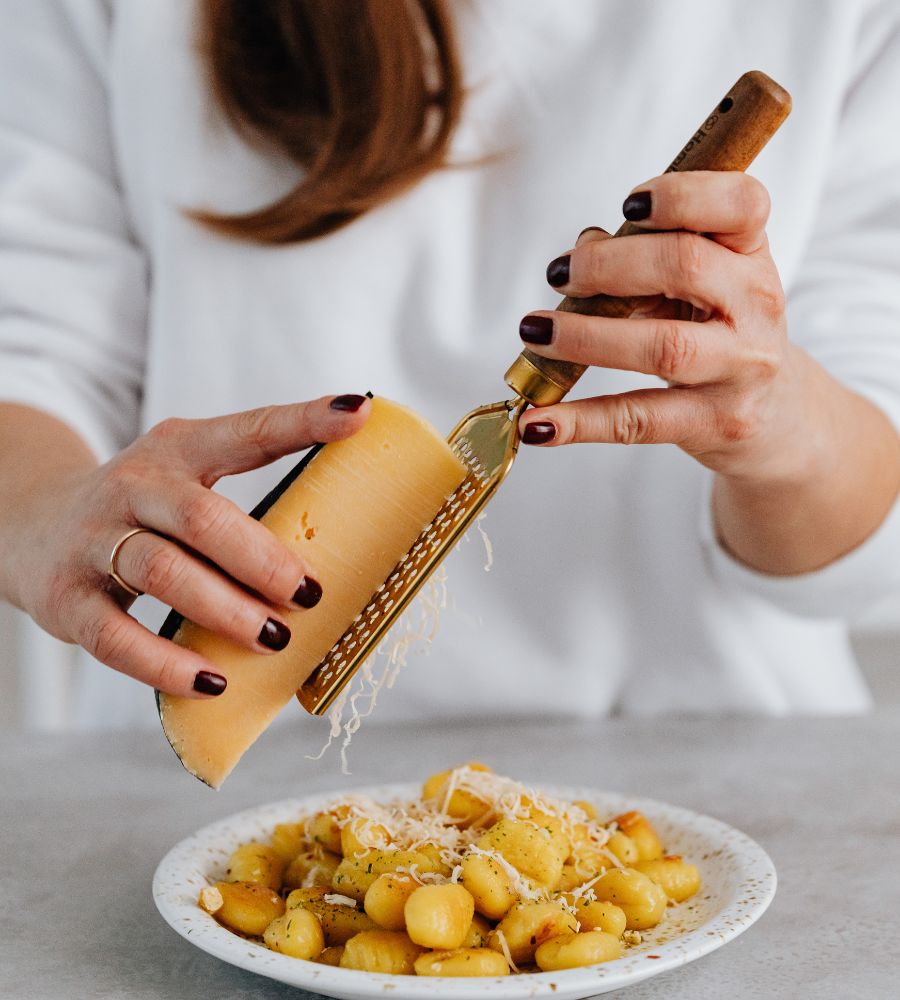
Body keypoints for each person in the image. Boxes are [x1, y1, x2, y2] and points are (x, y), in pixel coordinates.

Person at [1, 0, 899, 730]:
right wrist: (43, 512)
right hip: (191, 791)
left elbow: (867, 545)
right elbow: (34, 346)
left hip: (713, 769)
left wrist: (783, 428)